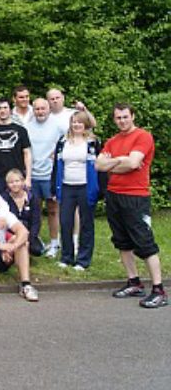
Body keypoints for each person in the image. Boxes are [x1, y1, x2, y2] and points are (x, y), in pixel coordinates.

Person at [95, 103, 166, 308]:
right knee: (122, 241)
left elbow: (134, 163)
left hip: (136, 197)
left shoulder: (143, 137)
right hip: (114, 195)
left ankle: (159, 289)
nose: (122, 121)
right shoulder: (112, 141)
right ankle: (134, 282)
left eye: (125, 117)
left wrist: (113, 163)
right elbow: (99, 165)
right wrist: (121, 161)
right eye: (118, 118)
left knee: (144, 243)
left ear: (132, 116)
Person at [51, 111, 101, 269]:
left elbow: (101, 166)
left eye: (80, 122)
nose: (76, 125)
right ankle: (66, 257)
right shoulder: (63, 141)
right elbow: (56, 166)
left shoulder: (93, 142)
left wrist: (101, 189)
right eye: (74, 122)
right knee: (65, 222)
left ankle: (83, 260)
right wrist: (54, 187)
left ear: (85, 124)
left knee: (86, 223)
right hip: (66, 186)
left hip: (86, 186)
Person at [26, 98, 66, 257]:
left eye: (43, 108)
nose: (40, 112)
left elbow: (70, 139)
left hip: (50, 175)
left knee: (53, 209)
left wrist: (56, 155)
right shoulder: (28, 126)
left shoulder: (58, 125)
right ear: (33, 110)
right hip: (33, 174)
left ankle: (55, 242)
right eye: (37, 109)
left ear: (49, 109)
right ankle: (35, 240)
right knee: (34, 209)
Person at [0, 98, 32, 196]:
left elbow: (27, 153)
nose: (2, 110)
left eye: (5, 107)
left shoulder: (21, 130)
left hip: (17, 174)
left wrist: (28, 177)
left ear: (10, 110)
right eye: (0, 108)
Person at [4, 169, 43, 257]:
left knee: (36, 250)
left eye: (17, 181)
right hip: (11, 233)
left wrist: (30, 238)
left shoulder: (32, 198)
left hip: (28, 232)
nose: (14, 184)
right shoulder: (4, 199)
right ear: (7, 185)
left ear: (23, 181)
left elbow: (36, 222)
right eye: (11, 182)